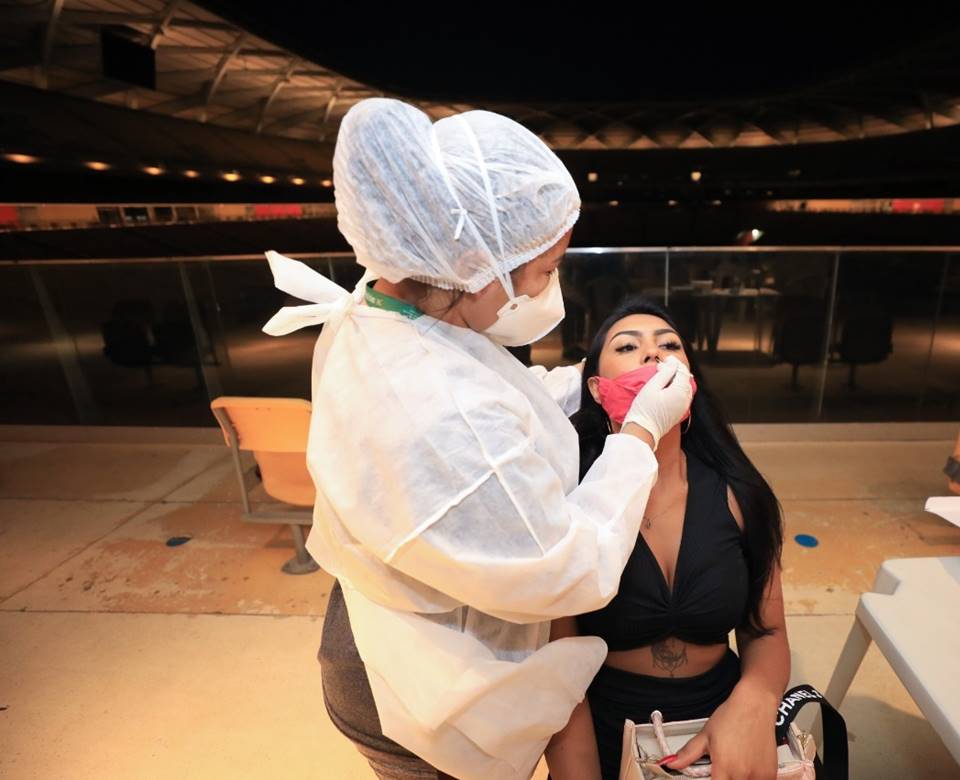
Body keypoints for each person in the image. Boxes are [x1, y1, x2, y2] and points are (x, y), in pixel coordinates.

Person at [260, 99, 695, 780]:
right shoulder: (440, 413)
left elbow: (486, 388)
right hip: (410, 684)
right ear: (471, 261)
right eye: (545, 268)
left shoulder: (388, 304)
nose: (551, 286)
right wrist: (638, 431)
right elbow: (568, 568)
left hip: (390, 625)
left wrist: (580, 386)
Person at [545, 298, 789, 780]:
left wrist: (754, 701)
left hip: (724, 723)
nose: (653, 354)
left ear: (690, 382)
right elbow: (556, 671)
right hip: (599, 728)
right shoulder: (568, 498)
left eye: (669, 346)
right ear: (596, 388)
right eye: (627, 346)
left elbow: (768, 631)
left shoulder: (740, 493)